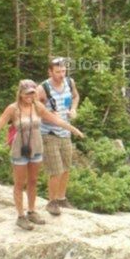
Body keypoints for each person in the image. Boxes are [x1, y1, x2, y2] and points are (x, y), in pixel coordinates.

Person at [0, 79, 85, 231]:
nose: (30, 96)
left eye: (32, 93)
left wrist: (73, 130)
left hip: (36, 148)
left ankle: (32, 211)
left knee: (33, 181)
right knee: (20, 183)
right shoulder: (13, 109)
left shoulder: (38, 106)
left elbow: (55, 120)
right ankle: (21, 216)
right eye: (27, 93)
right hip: (20, 149)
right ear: (20, 94)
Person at [37, 56, 80, 216]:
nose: (61, 74)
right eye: (57, 71)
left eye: (63, 70)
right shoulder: (43, 88)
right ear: (50, 71)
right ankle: (52, 202)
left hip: (65, 132)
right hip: (49, 133)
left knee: (66, 167)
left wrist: (74, 109)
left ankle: (61, 198)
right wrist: (47, 113)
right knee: (56, 170)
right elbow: (34, 107)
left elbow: (75, 96)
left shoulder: (69, 82)